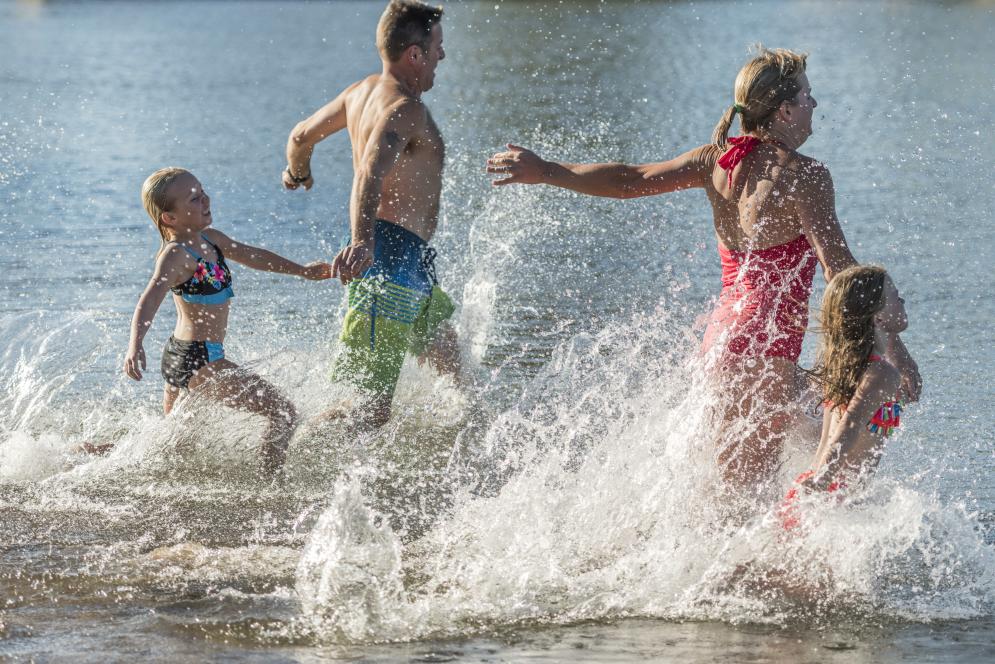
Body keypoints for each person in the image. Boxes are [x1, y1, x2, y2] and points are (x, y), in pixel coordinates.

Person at [486, 46, 921, 488]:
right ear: (784, 110)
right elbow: (842, 276)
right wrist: (893, 348)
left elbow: (629, 180)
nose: (815, 105)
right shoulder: (805, 176)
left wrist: (548, 170)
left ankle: (824, 542)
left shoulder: (715, 161)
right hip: (764, 349)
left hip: (725, 339)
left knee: (828, 435)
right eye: (808, 96)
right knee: (745, 496)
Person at [281, 0, 458, 429]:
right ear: (414, 54)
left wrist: (297, 171)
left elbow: (301, 135)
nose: (443, 55)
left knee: (454, 369)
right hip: (387, 259)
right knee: (370, 408)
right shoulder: (406, 109)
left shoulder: (358, 93)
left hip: (414, 263)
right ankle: (290, 436)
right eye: (437, 46)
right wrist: (362, 242)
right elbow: (369, 173)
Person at [124, 167, 332, 472]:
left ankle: (92, 455)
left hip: (184, 356)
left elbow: (253, 256)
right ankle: (269, 486)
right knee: (283, 412)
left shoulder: (211, 239)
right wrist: (135, 345)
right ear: (170, 218)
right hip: (198, 359)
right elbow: (150, 298)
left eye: (202, 191)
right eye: (193, 199)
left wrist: (301, 270)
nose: (205, 199)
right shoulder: (175, 254)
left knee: (167, 451)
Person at [780, 265, 908, 529]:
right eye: (894, 295)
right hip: (830, 499)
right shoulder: (881, 373)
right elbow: (850, 424)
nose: (902, 299)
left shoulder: (844, 368)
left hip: (812, 492)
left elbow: (833, 429)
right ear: (877, 319)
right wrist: (824, 480)